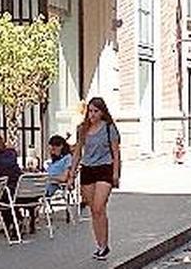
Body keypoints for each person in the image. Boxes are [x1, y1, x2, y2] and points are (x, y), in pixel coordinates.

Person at [68, 97, 121, 261]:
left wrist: (115, 173)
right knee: (93, 210)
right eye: (90, 111)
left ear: (102, 112)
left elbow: (116, 152)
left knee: (99, 206)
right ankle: (100, 245)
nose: (92, 114)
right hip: (88, 169)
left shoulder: (109, 128)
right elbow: (77, 152)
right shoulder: (82, 129)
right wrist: (72, 173)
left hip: (104, 168)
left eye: (95, 111)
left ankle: (104, 244)